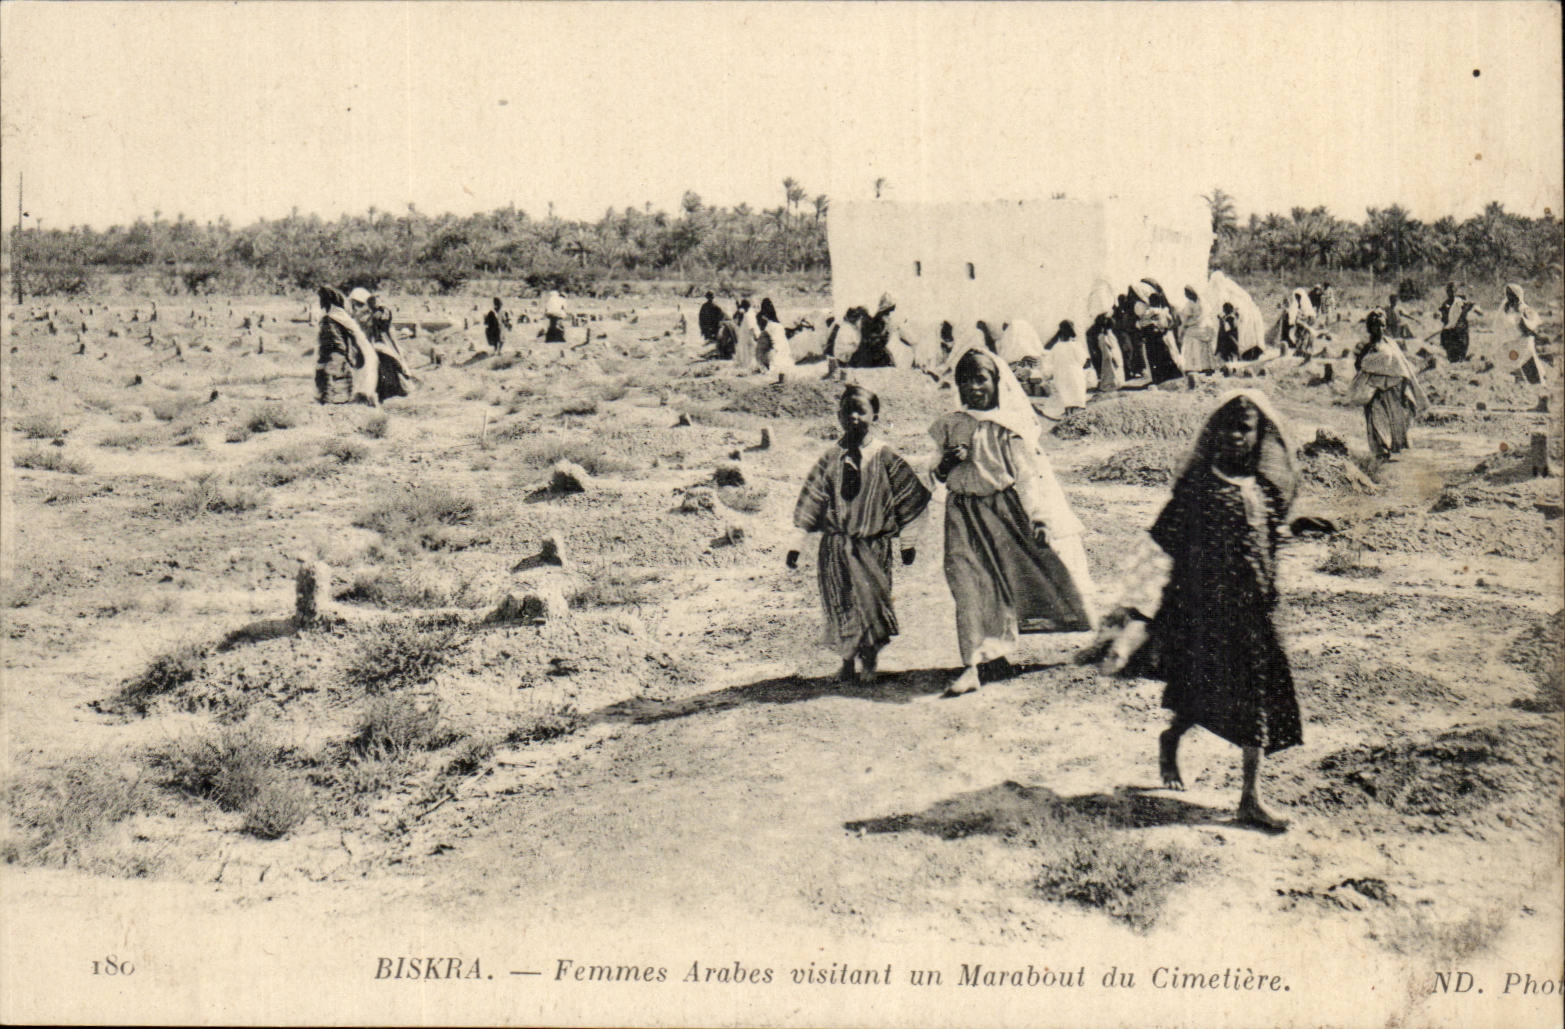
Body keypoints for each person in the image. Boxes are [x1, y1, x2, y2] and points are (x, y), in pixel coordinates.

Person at [1101, 392, 1303, 832]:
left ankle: (1250, 797)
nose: (1235, 436)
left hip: (1255, 620)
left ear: (1259, 435)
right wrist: (1133, 614)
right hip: (1206, 615)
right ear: (1214, 433)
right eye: (1227, 427)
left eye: (1245, 428)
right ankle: (1172, 738)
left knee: (1258, 703)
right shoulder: (1197, 490)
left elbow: (1268, 544)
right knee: (1199, 695)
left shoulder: (1265, 490)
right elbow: (1160, 549)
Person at [929, 347, 1097, 697]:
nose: (974, 388)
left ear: (997, 382)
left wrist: (1038, 518)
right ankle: (974, 662)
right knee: (968, 584)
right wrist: (947, 463)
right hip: (961, 515)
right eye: (966, 380)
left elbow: (1028, 475)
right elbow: (936, 474)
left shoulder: (1010, 427)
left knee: (1004, 585)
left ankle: (995, 653)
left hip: (1003, 514)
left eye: (981, 379)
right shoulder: (951, 423)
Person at [789, 386, 932, 683]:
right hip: (837, 547)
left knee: (871, 605)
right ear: (838, 415)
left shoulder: (885, 456)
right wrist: (796, 545)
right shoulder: (830, 458)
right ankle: (846, 662)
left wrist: (908, 544)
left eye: (861, 411)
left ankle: (869, 662)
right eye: (847, 411)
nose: (853, 417)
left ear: (875, 416)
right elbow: (811, 500)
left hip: (872, 547)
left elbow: (910, 497)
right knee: (840, 602)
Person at [1351, 310, 1427, 460]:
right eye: (1376, 326)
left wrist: (1404, 383)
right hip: (1375, 390)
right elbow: (1360, 365)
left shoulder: (1391, 344)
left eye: (1382, 326)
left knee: (1394, 419)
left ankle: (1391, 447)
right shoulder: (1367, 347)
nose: (1379, 329)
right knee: (1377, 420)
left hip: (1392, 388)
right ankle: (1381, 450)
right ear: (1370, 327)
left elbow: (1401, 365)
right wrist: (1372, 372)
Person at [315, 286, 378, 406]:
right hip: (345, 352)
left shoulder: (334, 317)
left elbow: (340, 340)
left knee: (332, 376)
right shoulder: (336, 315)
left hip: (343, 352)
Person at [1497, 283, 1547, 386]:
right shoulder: (1506, 309)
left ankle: (1536, 383)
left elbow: (1531, 325)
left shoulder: (1524, 309)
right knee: (1514, 363)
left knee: (1528, 361)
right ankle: (1520, 382)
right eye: (1508, 294)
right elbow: (1500, 325)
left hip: (1524, 342)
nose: (1509, 296)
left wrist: (1534, 334)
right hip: (1512, 343)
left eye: (1511, 294)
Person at [1043, 320, 1089, 412]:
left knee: (1066, 399)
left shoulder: (1056, 347)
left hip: (1061, 375)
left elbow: (1046, 352)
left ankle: (1067, 414)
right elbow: (1083, 361)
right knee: (1077, 399)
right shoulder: (1076, 345)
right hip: (1075, 375)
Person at [1437, 283, 1480, 363]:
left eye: (1453, 291)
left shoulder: (1460, 302)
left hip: (1460, 328)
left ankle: (1461, 358)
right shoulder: (1446, 303)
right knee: (1450, 345)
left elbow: (1472, 309)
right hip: (1450, 329)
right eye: (1449, 291)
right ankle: (1453, 359)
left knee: (1461, 344)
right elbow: (1442, 315)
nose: (1451, 293)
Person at [1180, 286, 1218, 374]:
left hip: (1193, 329)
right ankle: (1206, 366)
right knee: (1203, 349)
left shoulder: (1190, 304)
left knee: (1190, 345)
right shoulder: (1202, 303)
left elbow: (1185, 319)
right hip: (1203, 328)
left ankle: (1193, 367)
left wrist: (1182, 330)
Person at [1086, 312, 1125, 392]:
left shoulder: (1105, 336)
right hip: (1108, 355)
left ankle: (1112, 383)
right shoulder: (1104, 336)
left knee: (1110, 370)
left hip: (1109, 355)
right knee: (1111, 369)